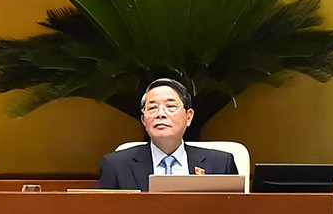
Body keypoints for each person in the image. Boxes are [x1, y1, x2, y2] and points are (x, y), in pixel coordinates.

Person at [98, 78, 237, 189]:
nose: (161, 114)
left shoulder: (220, 164)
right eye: (152, 108)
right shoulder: (116, 165)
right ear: (144, 120)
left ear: (189, 117)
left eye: (170, 106)